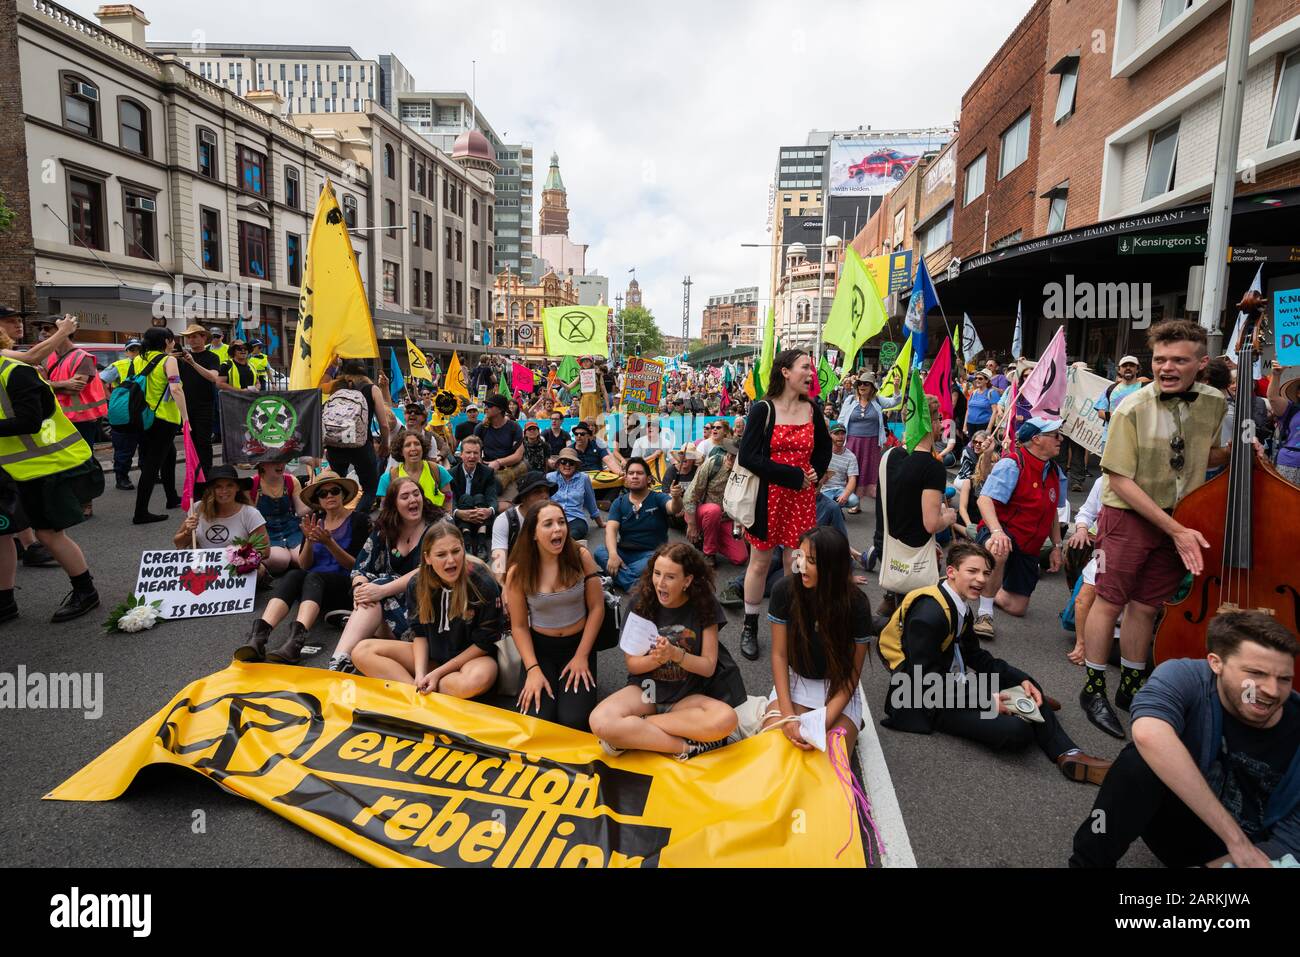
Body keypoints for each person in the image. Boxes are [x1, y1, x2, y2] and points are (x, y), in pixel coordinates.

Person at [1079, 320, 1230, 741]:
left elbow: (1204, 454)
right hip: (1127, 516)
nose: (1166, 367)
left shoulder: (1216, 402)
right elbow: (1120, 479)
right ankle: (1093, 691)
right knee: (1109, 601)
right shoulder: (1132, 407)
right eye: (1160, 359)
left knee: (1147, 606)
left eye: (1179, 360)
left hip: (1180, 516)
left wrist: (1236, 451)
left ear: (1201, 364)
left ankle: (1130, 686)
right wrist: (1176, 530)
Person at [1071, 611, 1300, 867]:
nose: (1271, 690)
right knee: (1139, 762)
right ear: (1216, 663)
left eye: (1284, 679)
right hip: (1185, 824)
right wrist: (1236, 840)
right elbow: (1148, 733)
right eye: (1256, 673)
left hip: (1252, 853)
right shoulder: (1186, 677)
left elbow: (1292, 841)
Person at [878, 541, 1112, 785]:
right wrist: (986, 700)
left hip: (951, 683)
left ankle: (1068, 754)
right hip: (922, 698)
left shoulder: (958, 605)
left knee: (1028, 689)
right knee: (1016, 732)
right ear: (951, 572)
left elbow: (976, 657)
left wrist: (1021, 679)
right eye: (972, 571)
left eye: (986, 573)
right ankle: (1029, 713)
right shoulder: (930, 614)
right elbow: (922, 682)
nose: (981, 579)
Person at [590, 542, 745, 758]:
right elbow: (633, 665)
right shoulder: (640, 602)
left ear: (687, 581)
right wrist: (658, 659)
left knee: (726, 719)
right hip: (646, 691)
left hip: (685, 696)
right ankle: (686, 748)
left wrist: (676, 655)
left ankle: (638, 730)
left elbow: (708, 667)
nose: (660, 583)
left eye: (670, 577)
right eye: (657, 573)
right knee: (599, 720)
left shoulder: (704, 604)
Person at [0, 327, 103, 623]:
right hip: (9, 468)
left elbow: (31, 421)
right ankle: (5, 601)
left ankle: (86, 591)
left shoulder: (16, 372)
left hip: (41, 466)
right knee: (2, 534)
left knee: (47, 533)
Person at [737, 349, 832, 661]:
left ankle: (790, 625)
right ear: (786, 372)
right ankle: (750, 624)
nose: (811, 373)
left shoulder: (812, 409)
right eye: (805, 367)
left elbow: (824, 448)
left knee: (796, 565)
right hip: (767, 498)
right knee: (760, 563)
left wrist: (815, 471)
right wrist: (792, 475)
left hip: (801, 499)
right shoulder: (763, 409)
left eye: (812, 368)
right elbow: (748, 457)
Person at [352, 522, 503, 697]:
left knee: (479, 678)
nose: (451, 560)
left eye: (456, 551)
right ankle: (417, 690)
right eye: (441, 554)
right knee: (361, 651)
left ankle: (424, 689)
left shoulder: (482, 583)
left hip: (470, 660)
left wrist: (438, 674)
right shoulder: (417, 583)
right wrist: (421, 673)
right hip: (432, 657)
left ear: (463, 548)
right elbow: (420, 634)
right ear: (427, 558)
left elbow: (484, 643)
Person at [236, 471, 370, 663]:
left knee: (314, 577)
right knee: (294, 574)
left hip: (346, 587)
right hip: (315, 589)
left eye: (334, 491)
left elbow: (358, 566)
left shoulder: (359, 520)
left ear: (343, 494)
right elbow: (305, 564)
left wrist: (329, 543)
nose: (329, 496)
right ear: (318, 500)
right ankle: (258, 637)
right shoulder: (316, 520)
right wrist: (308, 539)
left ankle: (295, 643)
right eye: (323, 494)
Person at [761, 527, 871, 753]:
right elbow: (779, 655)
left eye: (811, 560)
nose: (801, 565)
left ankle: (851, 722)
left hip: (837, 686)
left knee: (831, 757)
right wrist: (789, 716)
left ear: (833, 567)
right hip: (795, 681)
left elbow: (852, 673)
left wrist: (824, 721)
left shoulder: (857, 604)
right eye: (800, 556)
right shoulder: (784, 590)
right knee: (775, 749)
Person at [504, 500, 604, 730]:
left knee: (574, 721)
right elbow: (519, 626)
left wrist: (582, 656)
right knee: (535, 719)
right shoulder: (518, 571)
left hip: (578, 645)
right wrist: (532, 669)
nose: (558, 529)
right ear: (533, 534)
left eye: (561, 522)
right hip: (541, 650)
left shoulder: (581, 557)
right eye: (548, 524)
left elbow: (597, 608)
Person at [326, 477, 438, 672]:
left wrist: (382, 590)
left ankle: (358, 627)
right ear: (394, 504)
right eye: (405, 496)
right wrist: (360, 590)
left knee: (379, 586)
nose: (413, 499)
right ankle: (339, 661)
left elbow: (431, 570)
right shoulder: (385, 528)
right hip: (389, 603)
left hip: (429, 608)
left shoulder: (439, 526)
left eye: (416, 494)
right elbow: (360, 567)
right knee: (369, 590)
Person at [973, 417, 1067, 636]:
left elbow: (1052, 510)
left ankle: (983, 585)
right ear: (1036, 439)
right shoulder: (1013, 463)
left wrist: (1057, 546)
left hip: (1029, 545)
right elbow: (984, 500)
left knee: (1018, 608)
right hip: (1002, 530)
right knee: (999, 548)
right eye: (1055, 435)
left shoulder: (1056, 472)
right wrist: (997, 531)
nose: (1060, 439)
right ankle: (985, 614)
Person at [874, 395, 957, 626]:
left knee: (901, 606)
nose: (942, 424)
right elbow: (931, 524)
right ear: (927, 424)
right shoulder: (933, 466)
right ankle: (907, 647)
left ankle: (890, 608)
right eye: (938, 419)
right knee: (917, 621)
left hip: (886, 546)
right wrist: (947, 517)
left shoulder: (888, 455)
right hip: (914, 554)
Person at [129, 327, 191, 525]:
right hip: (164, 418)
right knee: (152, 465)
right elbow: (176, 388)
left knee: (169, 454)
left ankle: (171, 497)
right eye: (172, 340)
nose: (173, 343)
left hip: (143, 418)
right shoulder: (168, 360)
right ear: (166, 341)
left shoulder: (138, 359)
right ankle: (141, 512)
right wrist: (186, 418)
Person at [595, 456, 682, 590]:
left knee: (660, 561)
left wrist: (676, 498)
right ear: (626, 478)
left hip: (652, 553)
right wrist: (613, 555)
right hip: (624, 551)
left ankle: (617, 576)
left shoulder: (658, 497)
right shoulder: (619, 502)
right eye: (631, 473)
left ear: (648, 479)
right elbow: (611, 530)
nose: (634, 476)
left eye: (639, 473)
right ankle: (635, 583)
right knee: (599, 552)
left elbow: (674, 508)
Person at [321, 360, 388, 513]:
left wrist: (331, 365)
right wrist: (385, 443)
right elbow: (384, 424)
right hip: (361, 446)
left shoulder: (336, 386)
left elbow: (320, 386)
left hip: (334, 444)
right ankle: (355, 519)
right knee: (370, 489)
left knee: (337, 485)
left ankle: (337, 517)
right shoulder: (372, 389)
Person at [174, 465, 269, 560]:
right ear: (211, 490)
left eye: (229, 485)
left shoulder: (250, 513)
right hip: (203, 566)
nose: (224, 491)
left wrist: (241, 559)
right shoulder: (197, 508)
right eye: (218, 487)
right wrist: (188, 532)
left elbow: (265, 550)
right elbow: (178, 544)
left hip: (237, 567)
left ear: (237, 487)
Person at [683, 437, 748, 568]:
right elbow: (690, 495)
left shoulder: (746, 474)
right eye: (729, 452)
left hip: (727, 518)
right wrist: (692, 525)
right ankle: (709, 552)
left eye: (736, 455)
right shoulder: (713, 463)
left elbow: (744, 503)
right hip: (703, 512)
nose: (730, 457)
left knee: (741, 558)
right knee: (714, 510)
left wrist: (741, 525)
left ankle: (709, 537)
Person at [169, 325, 222, 481]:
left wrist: (192, 363)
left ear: (204, 337)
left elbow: (213, 377)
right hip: (185, 406)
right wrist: (170, 358)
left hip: (204, 405)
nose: (191, 340)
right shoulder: (180, 358)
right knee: (190, 442)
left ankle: (206, 474)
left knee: (204, 442)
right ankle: (194, 474)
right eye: (189, 337)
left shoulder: (212, 357)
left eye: (195, 336)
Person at [490, 470, 556, 582]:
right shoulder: (505, 521)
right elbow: (498, 562)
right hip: (515, 578)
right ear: (524, 497)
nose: (545, 496)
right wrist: (504, 587)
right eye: (538, 492)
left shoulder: (554, 517)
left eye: (546, 491)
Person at [100, 339, 143, 491]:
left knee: (146, 444)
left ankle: (149, 474)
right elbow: (100, 381)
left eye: (138, 349)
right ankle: (122, 477)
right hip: (125, 411)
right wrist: (110, 398)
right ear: (126, 352)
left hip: (143, 410)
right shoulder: (119, 365)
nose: (135, 352)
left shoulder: (147, 363)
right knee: (124, 446)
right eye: (131, 349)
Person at [251, 461, 308, 574]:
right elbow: (248, 516)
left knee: (301, 559)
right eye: (274, 462)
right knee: (280, 561)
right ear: (262, 465)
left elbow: (301, 511)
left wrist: (315, 498)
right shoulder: (253, 483)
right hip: (265, 531)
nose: (280, 464)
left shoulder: (291, 480)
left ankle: (291, 562)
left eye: (283, 460)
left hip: (291, 528)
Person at [377, 428, 452, 514]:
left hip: (435, 523)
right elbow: (385, 510)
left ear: (423, 448)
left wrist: (447, 520)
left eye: (417, 444)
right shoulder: (387, 478)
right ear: (401, 451)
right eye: (407, 445)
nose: (413, 448)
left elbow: (448, 499)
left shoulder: (438, 471)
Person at [447, 435, 499, 560]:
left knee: (480, 497)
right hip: (462, 513)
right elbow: (451, 499)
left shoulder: (488, 472)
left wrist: (489, 510)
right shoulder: (451, 474)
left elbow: (492, 496)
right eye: (468, 452)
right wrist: (458, 512)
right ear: (461, 454)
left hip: (481, 512)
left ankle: (482, 544)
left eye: (475, 453)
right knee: (465, 498)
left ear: (480, 455)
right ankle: (467, 542)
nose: (472, 456)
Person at [838, 376, 885, 501]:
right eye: (859, 383)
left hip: (872, 443)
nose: (862, 386)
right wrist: (839, 437)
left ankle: (862, 496)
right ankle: (852, 500)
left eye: (866, 384)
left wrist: (896, 387)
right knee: (852, 470)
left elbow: (896, 401)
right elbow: (841, 420)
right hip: (853, 442)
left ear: (872, 388)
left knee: (867, 471)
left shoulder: (878, 401)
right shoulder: (850, 400)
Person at [548, 447, 603, 541]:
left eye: (571, 462)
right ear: (558, 464)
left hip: (575, 518)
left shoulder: (584, 478)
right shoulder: (549, 477)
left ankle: (565, 546)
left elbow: (591, 502)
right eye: (564, 462)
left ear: (576, 465)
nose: (567, 465)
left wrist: (600, 523)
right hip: (553, 517)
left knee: (572, 534)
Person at [475, 394, 526, 493]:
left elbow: (518, 455)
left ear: (500, 409)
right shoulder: (480, 428)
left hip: (510, 470)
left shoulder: (514, 427)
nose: (486, 409)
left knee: (508, 504)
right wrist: (481, 466)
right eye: (486, 406)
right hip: (485, 468)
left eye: (489, 406)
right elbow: (474, 450)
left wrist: (498, 462)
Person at [1267, 360, 1300, 487]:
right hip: (1289, 464)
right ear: (1298, 393)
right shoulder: (1291, 409)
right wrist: (1276, 375)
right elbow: (1273, 398)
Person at [822, 422, 860, 512]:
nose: (840, 436)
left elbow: (852, 479)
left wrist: (846, 494)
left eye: (842, 433)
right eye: (836, 434)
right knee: (823, 502)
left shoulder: (851, 456)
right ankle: (833, 510)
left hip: (840, 489)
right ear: (830, 435)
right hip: (823, 489)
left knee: (853, 500)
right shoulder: (823, 452)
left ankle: (832, 509)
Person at [565, 355, 607, 424]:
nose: (585, 363)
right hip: (584, 402)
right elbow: (569, 387)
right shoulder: (580, 375)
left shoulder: (598, 375)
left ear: (591, 362)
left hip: (595, 401)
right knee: (584, 422)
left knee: (596, 422)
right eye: (583, 362)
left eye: (587, 361)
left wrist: (607, 406)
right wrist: (560, 382)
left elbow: (604, 391)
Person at [963, 370, 1001, 435]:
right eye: (976, 378)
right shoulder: (974, 392)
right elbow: (968, 409)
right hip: (970, 425)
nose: (977, 380)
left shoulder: (992, 393)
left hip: (984, 425)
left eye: (980, 378)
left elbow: (995, 411)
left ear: (987, 380)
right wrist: (965, 425)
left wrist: (989, 428)